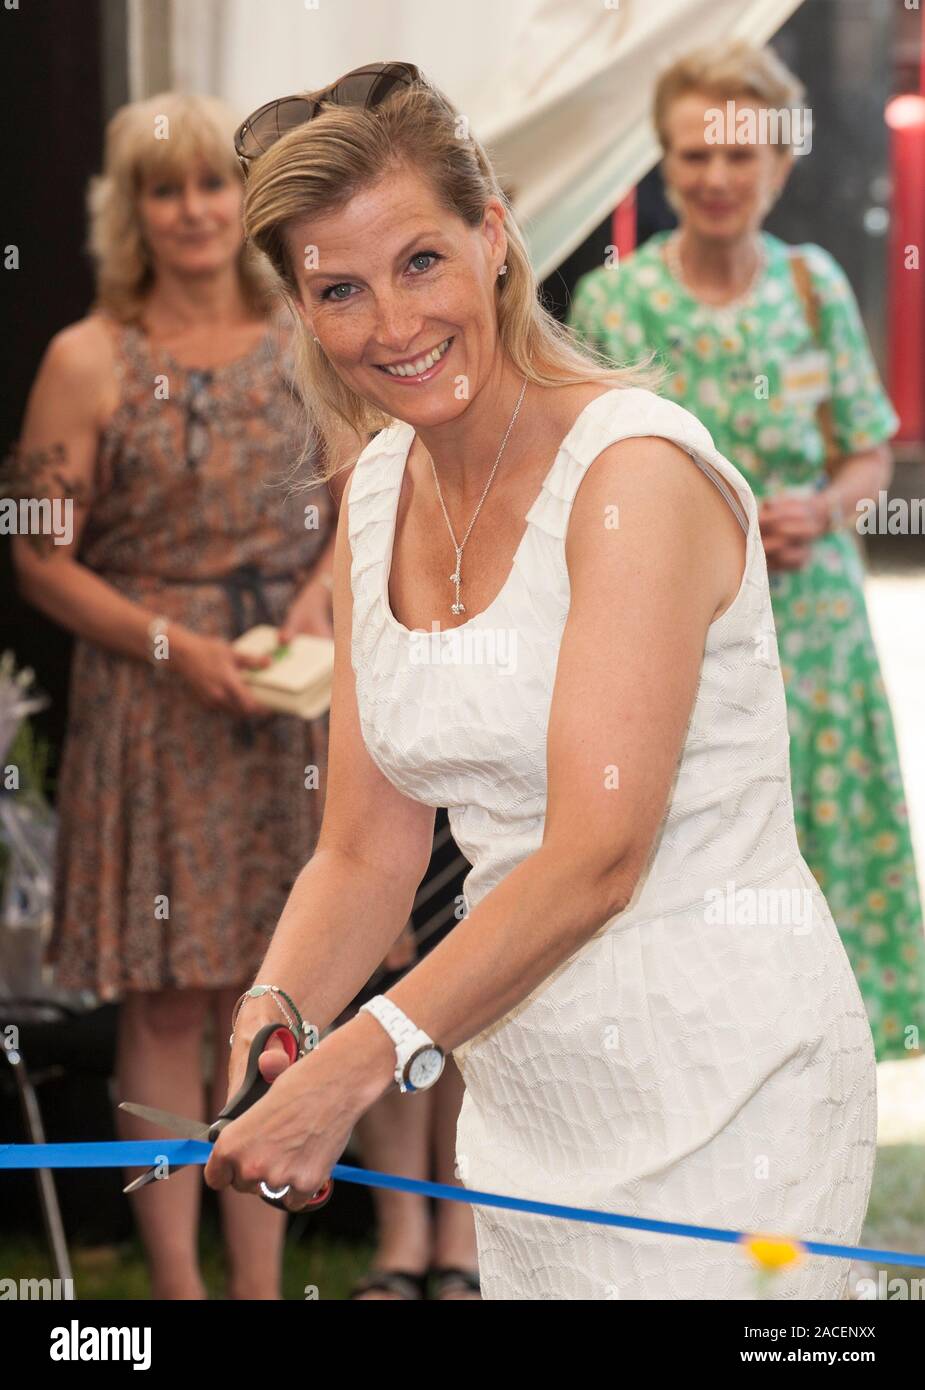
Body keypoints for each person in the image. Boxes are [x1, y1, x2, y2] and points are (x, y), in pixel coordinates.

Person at [204, 61, 877, 1301]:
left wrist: (361, 1063)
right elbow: (363, 849)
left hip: (728, 1096)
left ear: (495, 236)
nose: (393, 326)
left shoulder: (631, 473)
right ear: (301, 311)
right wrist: (276, 1010)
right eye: (339, 289)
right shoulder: (368, 496)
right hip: (530, 1117)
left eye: (420, 262)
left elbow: (596, 855)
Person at [8, 91, 336, 1299]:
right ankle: (179, 1291)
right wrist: (177, 648)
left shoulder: (309, 328)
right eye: (165, 187)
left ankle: (257, 1283)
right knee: (162, 1004)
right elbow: (37, 552)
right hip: (154, 704)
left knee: (276, 997)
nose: (194, 209)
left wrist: (311, 613)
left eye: (213, 184)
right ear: (132, 210)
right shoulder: (86, 357)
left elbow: (371, 494)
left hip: (291, 703)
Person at [567, 39, 925, 1065]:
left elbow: (868, 456)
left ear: (777, 164)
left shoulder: (811, 288)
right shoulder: (616, 305)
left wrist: (821, 508)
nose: (716, 178)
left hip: (817, 645)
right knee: (695, 875)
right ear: (664, 165)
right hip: (678, 650)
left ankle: (824, 1095)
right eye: (693, 157)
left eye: (739, 155)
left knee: (819, 871)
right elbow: (594, 488)